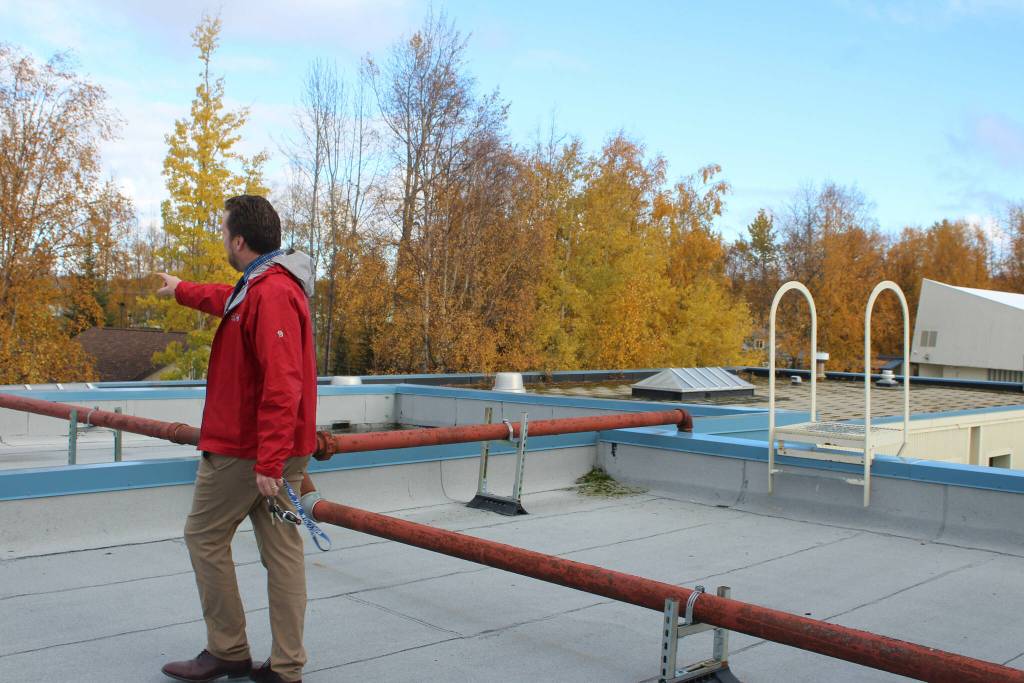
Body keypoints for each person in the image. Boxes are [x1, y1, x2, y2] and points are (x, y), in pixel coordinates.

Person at [157, 195, 317, 683]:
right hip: (272, 449)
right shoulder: (264, 284)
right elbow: (227, 300)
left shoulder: (271, 292)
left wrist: (268, 462)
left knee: (204, 536)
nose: (223, 239)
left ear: (239, 240)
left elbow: (283, 382)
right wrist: (182, 290)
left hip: (248, 452)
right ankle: (286, 667)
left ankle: (227, 650)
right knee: (282, 552)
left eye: (224, 231)